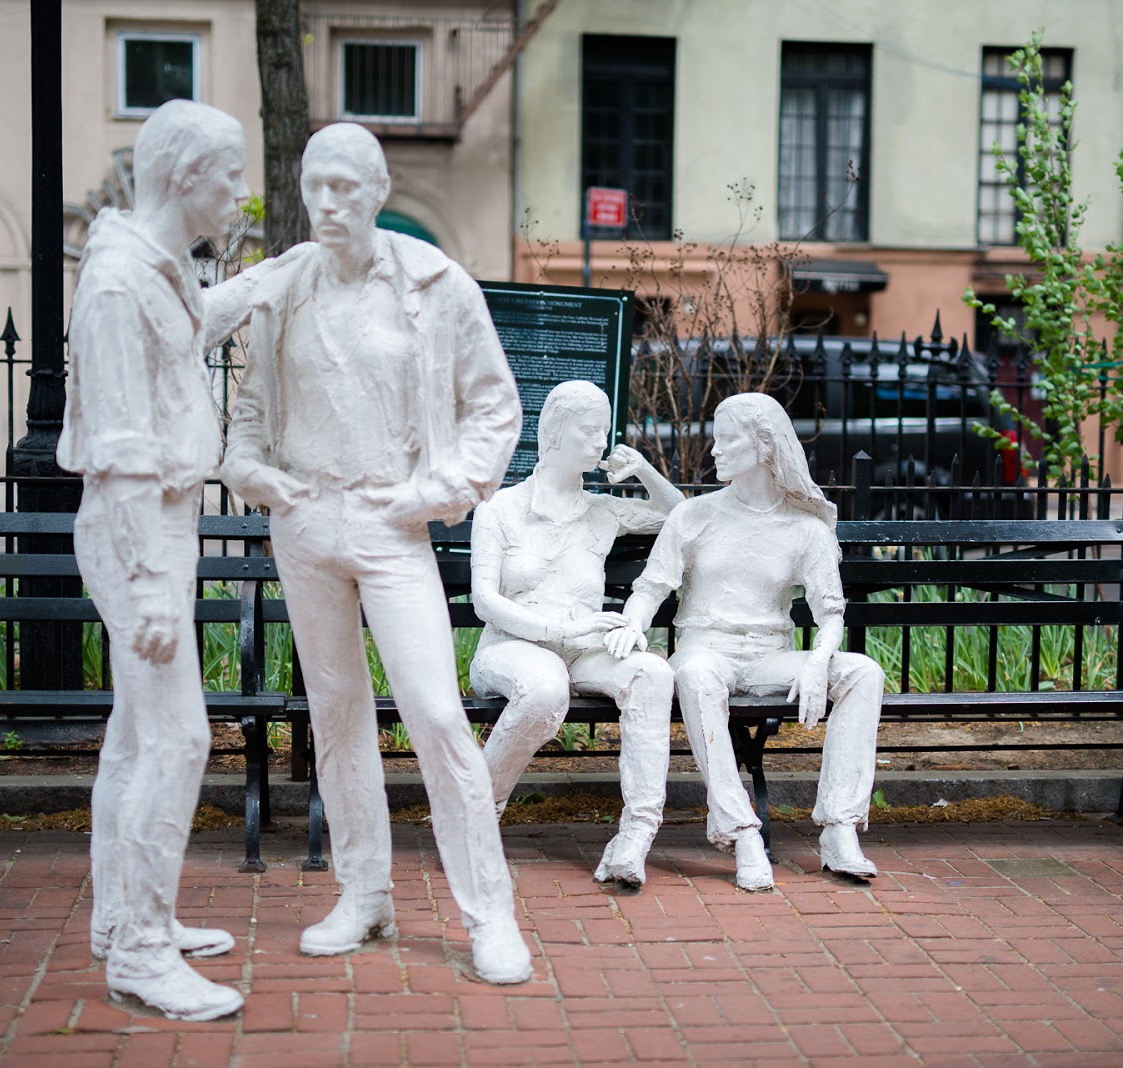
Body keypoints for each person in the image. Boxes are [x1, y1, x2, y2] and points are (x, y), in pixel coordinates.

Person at [221, 123, 531, 984]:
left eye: (344, 187)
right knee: (338, 717)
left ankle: (490, 912)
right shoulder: (284, 288)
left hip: (393, 523)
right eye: (314, 185)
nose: (326, 203)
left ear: (378, 189)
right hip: (306, 522)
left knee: (433, 711)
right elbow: (250, 412)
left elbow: (495, 408)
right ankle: (364, 894)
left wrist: (440, 492)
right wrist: (252, 472)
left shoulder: (436, 284)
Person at [60, 99, 268, 1020]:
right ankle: (141, 952)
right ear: (184, 175)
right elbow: (119, 448)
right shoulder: (114, 284)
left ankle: (122, 921)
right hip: (135, 526)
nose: (240, 192)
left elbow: (190, 332)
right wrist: (149, 583)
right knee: (180, 737)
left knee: (135, 736)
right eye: (229, 174)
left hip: (157, 524)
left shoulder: (161, 270)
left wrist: (276, 277)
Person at [604, 392, 883, 891]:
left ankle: (840, 827)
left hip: (769, 656)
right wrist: (631, 625)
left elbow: (830, 614)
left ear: (763, 446)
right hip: (705, 649)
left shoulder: (805, 529)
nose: (714, 450)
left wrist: (820, 660)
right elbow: (651, 588)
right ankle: (741, 831)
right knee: (692, 673)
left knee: (862, 671)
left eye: (726, 439)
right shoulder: (695, 516)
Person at [469, 381, 683, 887]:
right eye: (589, 430)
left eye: (603, 430)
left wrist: (645, 472)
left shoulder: (603, 510)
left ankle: (634, 836)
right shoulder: (500, 510)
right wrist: (562, 626)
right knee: (545, 688)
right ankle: (474, 815)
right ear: (555, 433)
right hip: (512, 649)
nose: (600, 441)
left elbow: (682, 519)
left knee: (651, 672)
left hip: (585, 651)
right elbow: (485, 602)